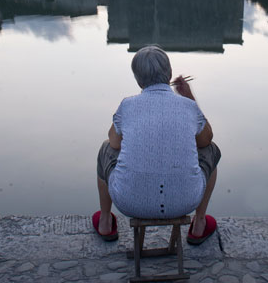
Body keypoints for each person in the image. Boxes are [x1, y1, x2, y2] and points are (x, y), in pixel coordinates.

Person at [94, 45, 220, 245]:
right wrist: (188, 97)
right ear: (169, 73)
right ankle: (199, 224)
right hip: (185, 200)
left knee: (104, 149)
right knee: (211, 151)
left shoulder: (127, 105)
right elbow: (205, 140)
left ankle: (105, 222)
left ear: (137, 79)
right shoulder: (188, 106)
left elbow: (114, 143)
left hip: (130, 202)